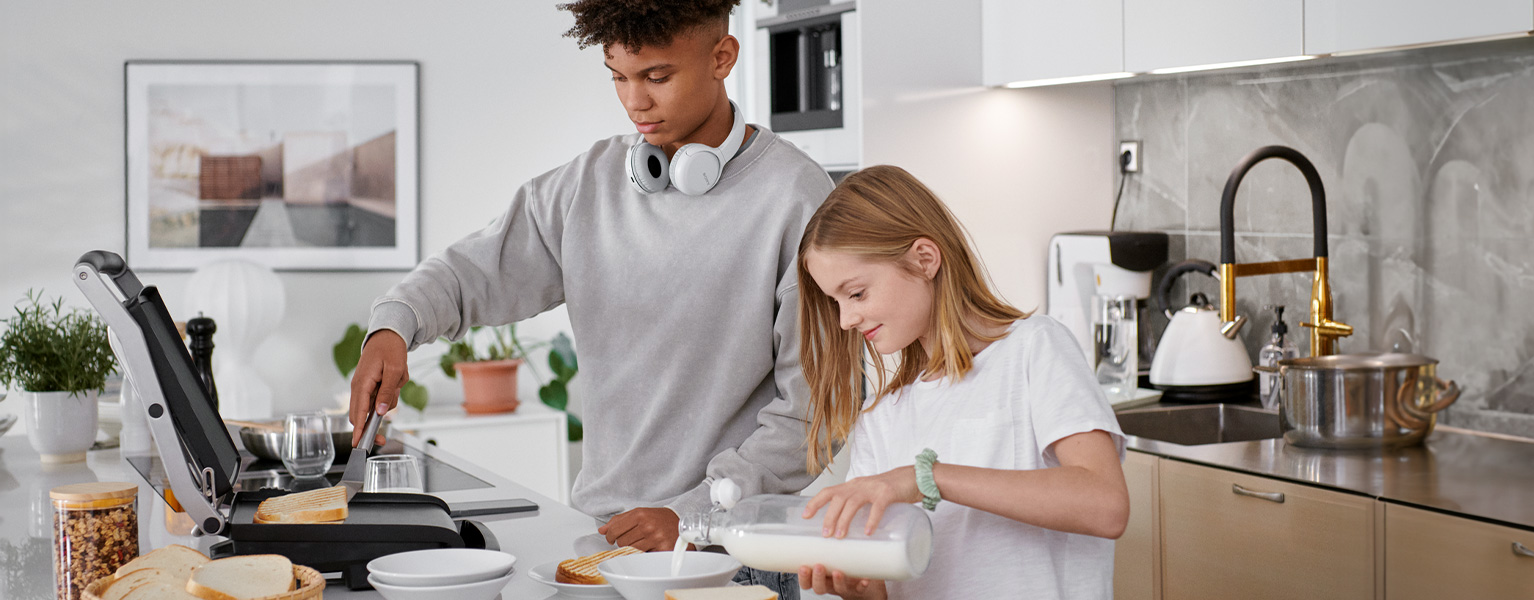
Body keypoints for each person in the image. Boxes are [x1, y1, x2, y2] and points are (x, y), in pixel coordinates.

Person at [347, 1, 833, 596]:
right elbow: (474, 268)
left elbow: (816, 409)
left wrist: (696, 513)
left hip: (727, 549)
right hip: (606, 538)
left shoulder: (797, 197)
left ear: (722, 58)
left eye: (657, 76)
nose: (636, 102)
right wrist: (395, 326)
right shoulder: (591, 181)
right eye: (618, 76)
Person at [791, 166, 1130, 600]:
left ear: (924, 259)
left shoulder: (1034, 350)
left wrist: (926, 478)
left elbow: (1106, 505)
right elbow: (888, 588)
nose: (845, 320)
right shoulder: (883, 415)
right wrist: (859, 591)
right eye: (834, 301)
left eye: (855, 294)